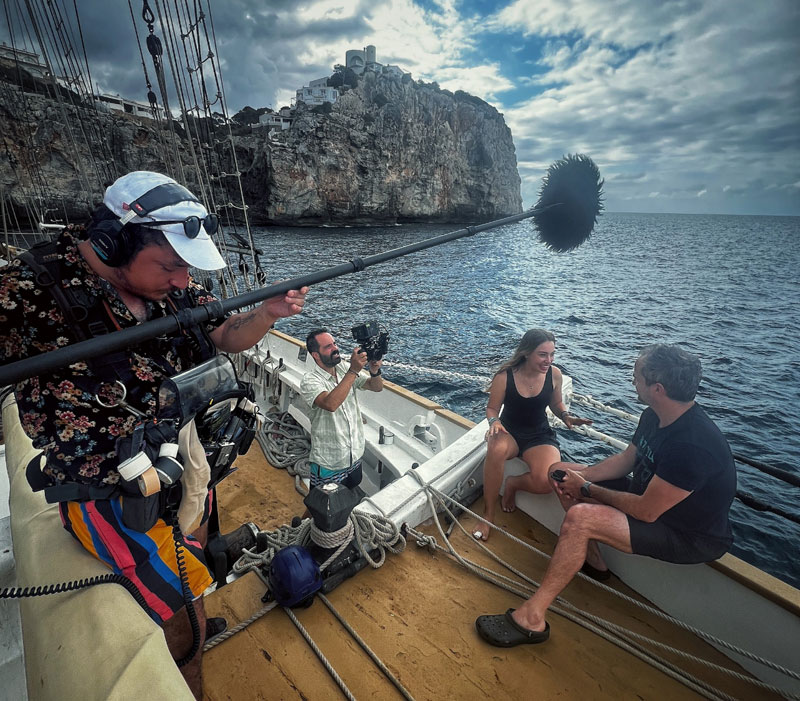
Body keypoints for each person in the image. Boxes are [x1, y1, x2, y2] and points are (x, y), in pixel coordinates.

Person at [0, 171, 308, 698]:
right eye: (170, 266)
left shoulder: (176, 285)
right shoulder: (26, 292)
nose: (183, 280)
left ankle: (196, 612)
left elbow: (224, 334)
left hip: (182, 458)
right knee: (177, 613)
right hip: (114, 494)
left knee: (199, 546)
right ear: (113, 242)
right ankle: (189, 661)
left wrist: (266, 313)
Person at [475, 344, 737, 647]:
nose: (632, 381)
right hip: (649, 502)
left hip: (685, 534)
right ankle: (593, 559)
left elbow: (646, 512)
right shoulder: (654, 416)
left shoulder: (692, 446)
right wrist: (579, 478)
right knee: (558, 471)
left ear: (658, 389)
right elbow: (626, 460)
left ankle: (532, 618)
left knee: (580, 518)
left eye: (636, 376)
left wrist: (586, 489)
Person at [473, 329, 592, 541]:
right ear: (527, 353)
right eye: (542, 354)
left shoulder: (554, 374)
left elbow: (556, 404)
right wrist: (494, 422)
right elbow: (492, 409)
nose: (549, 360)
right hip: (509, 430)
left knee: (547, 481)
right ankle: (488, 516)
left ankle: (513, 484)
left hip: (539, 434)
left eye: (552, 354)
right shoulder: (504, 376)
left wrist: (566, 416)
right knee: (496, 448)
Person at [299, 329, 383, 490]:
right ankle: (305, 517)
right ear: (316, 355)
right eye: (328, 347)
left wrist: (374, 371)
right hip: (330, 461)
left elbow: (375, 387)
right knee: (320, 503)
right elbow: (330, 404)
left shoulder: (344, 369)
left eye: (334, 344)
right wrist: (354, 370)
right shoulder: (310, 380)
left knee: (347, 494)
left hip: (354, 454)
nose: (335, 348)